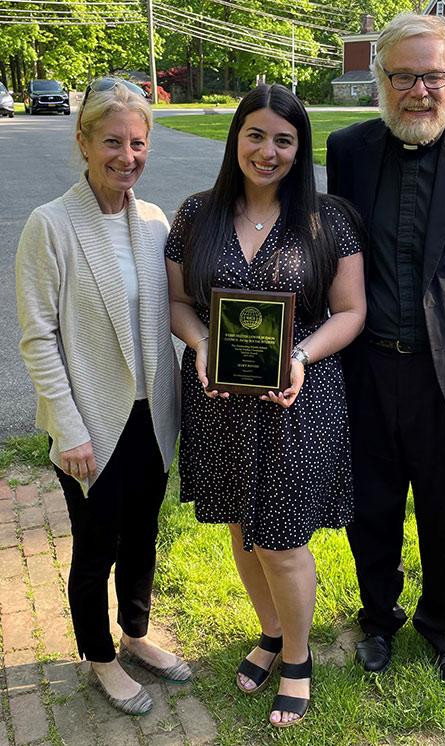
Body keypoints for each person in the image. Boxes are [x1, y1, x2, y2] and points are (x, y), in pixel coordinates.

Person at [166, 84, 366, 727]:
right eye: (256, 135)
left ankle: (299, 660)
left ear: (299, 147)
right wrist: (200, 344)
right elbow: (179, 306)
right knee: (240, 530)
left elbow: (351, 311)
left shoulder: (327, 218)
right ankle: (272, 631)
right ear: (236, 138)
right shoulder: (196, 214)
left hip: (297, 401)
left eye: (284, 139)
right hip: (218, 399)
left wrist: (300, 356)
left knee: (280, 540)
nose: (268, 150)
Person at [326, 12, 445, 690]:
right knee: (370, 506)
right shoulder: (348, 150)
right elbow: (333, 257)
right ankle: (377, 619)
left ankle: (442, 627)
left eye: (435, 75)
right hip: (367, 368)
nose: (420, 90)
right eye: (404, 76)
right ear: (381, 80)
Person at [16, 78, 189, 715]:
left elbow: (174, 310)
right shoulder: (50, 225)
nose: (126, 155)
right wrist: (67, 427)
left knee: (143, 535)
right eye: (112, 141)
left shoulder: (152, 221)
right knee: (97, 547)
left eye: (138, 143)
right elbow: (38, 336)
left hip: (152, 414)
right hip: (91, 421)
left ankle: (137, 634)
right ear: (84, 141)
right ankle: (100, 657)